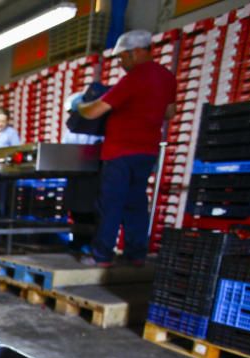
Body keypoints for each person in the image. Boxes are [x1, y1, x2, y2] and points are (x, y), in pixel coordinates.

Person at [74, 29, 176, 267]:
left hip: (120, 152)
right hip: (147, 151)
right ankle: (136, 255)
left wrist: (79, 106)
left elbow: (96, 110)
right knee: (136, 204)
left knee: (111, 203)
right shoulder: (167, 77)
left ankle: (101, 256)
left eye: (123, 57)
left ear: (138, 52)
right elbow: (170, 113)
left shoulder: (135, 77)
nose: (121, 63)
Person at [62, 92, 104, 255]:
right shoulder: (72, 131)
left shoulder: (98, 129)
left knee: (92, 214)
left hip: (93, 179)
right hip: (77, 178)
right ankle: (78, 243)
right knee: (78, 213)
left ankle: (91, 245)